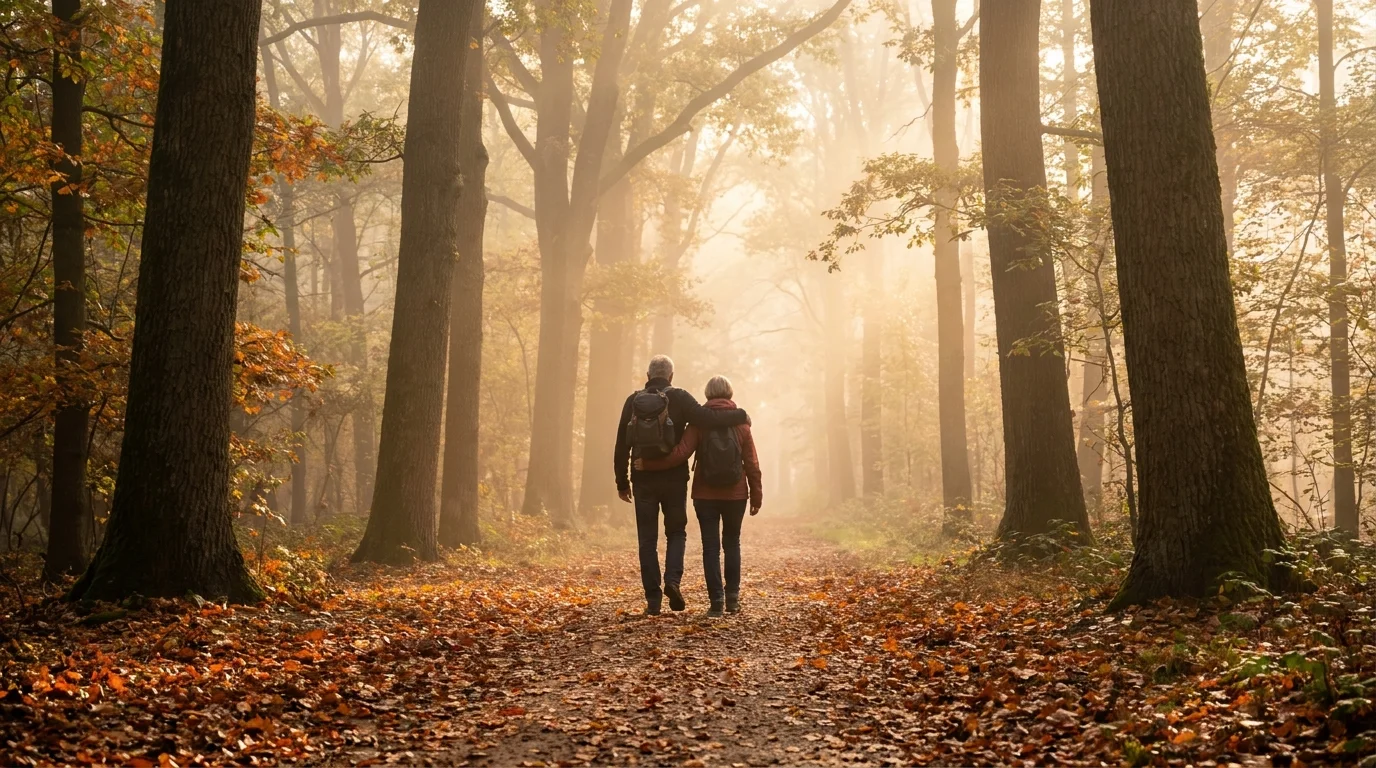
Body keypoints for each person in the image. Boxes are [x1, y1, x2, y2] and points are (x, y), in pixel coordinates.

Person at [615, 356, 749, 616]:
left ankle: (653, 601)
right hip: (674, 479)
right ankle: (672, 582)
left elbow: (622, 443)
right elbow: (709, 418)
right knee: (676, 533)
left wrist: (622, 480)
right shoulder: (680, 397)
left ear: (647, 374)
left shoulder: (633, 401)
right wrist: (740, 414)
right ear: (671, 376)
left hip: (642, 478)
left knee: (647, 540)